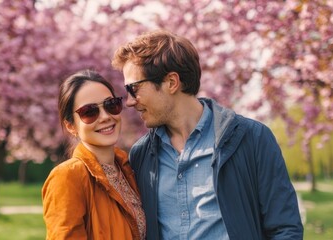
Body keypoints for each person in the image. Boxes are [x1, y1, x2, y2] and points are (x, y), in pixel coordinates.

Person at [112, 30, 303, 239]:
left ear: (171, 82)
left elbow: (285, 229)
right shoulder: (141, 155)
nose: (130, 101)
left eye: (134, 88)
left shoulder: (253, 139)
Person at [42, 70, 146, 239]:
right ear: (71, 126)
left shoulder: (129, 169)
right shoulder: (68, 177)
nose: (105, 117)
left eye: (110, 105)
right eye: (89, 112)